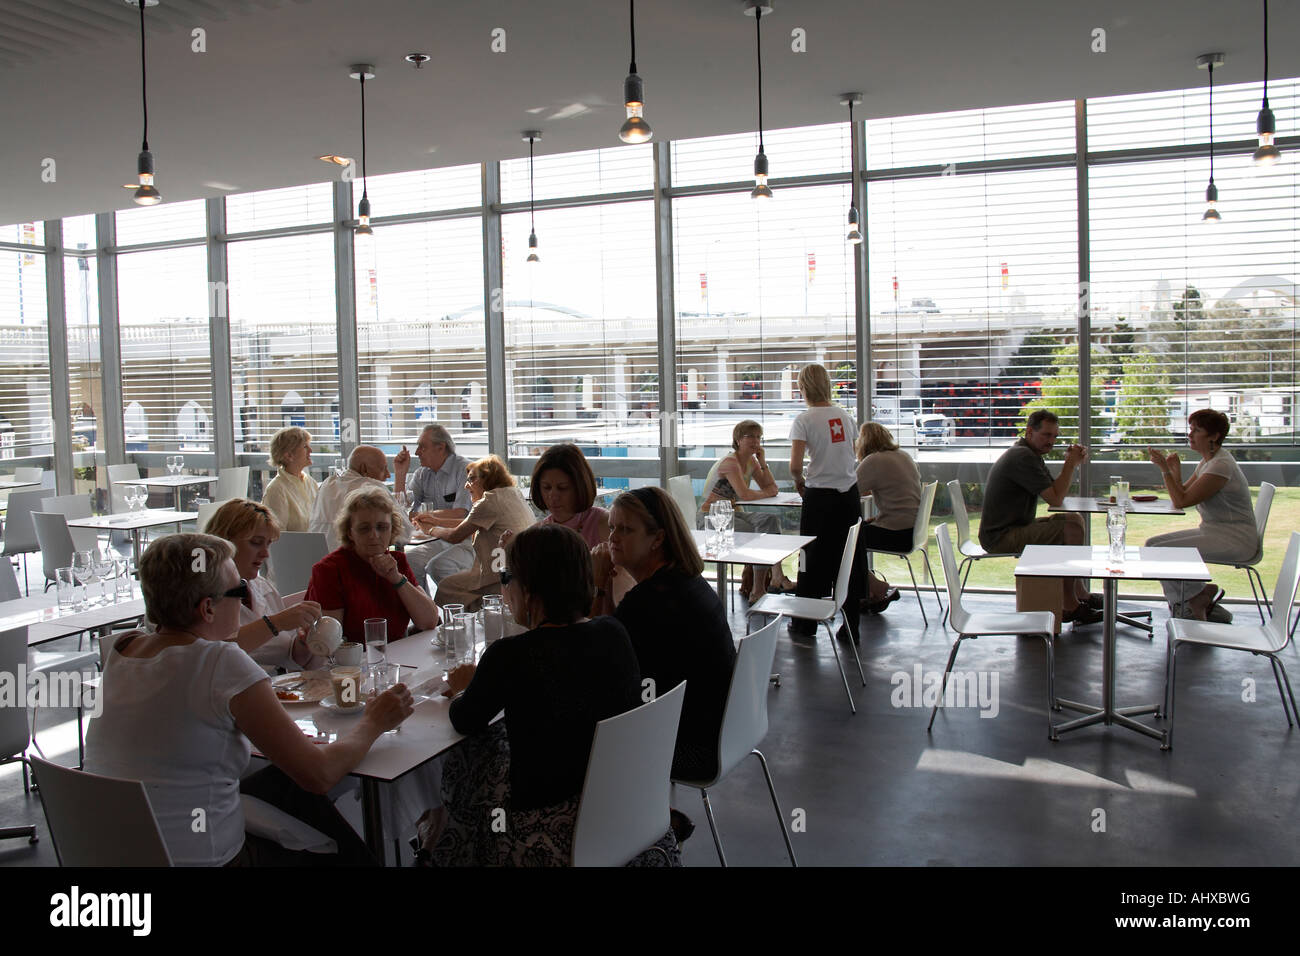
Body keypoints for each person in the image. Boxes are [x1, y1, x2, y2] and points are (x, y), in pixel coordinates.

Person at [84, 533, 413, 866]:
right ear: (208, 608)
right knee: (314, 804)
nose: (245, 599)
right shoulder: (219, 662)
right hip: (202, 858)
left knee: (284, 783)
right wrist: (374, 722)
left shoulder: (124, 649)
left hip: (112, 850)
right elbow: (320, 774)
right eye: (238, 591)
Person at [428, 524, 677, 866]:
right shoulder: (613, 632)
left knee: (465, 760)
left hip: (548, 825)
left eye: (506, 579)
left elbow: (465, 719)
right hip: (623, 805)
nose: (505, 590)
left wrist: (464, 687)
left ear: (528, 590)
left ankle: (450, 850)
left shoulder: (509, 654)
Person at [592, 487, 736, 781]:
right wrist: (605, 587)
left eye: (626, 530)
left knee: (579, 738)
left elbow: (594, 656)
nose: (613, 538)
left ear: (657, 538)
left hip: (690, 748)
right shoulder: (687, 582)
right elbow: (611, 636)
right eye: (612, 528)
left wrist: (596, 584)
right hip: (728, 731)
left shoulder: (650, 601)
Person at [979, 409, 1100, 625]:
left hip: (1014, 527)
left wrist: (1070, 465)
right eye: (1046, 435)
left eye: (1054, 436)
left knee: (1074, 520)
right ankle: (1069, 605)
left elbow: (1055, 493)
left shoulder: (1030, 454)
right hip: (1000, 536)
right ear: (1029, 432)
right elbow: (1055, 498)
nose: (1051, 441)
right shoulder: (1023, 457)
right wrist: (1070, 464)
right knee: (1072, 529)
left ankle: (1080, 594)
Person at [1146, 408, 1258, 622]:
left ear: (1214, 436)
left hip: (1235, 539)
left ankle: (1192, 602)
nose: (1190, 434)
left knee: (1159, 551)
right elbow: (1182, 495)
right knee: (1152, 545)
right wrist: (1174, 471)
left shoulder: (1221, 465)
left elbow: (1182, 501)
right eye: (1190, 429)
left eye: (1196, 430)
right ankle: (1198, 598)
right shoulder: (1208, 461)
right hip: (1215, 531)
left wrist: (1164, 470)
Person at [788, 363, 864, 640]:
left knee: (812, 558)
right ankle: (851, 625)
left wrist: (800, 481)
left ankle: (805, 623)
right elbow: (851, 453)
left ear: (803, 386)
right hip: (849, 496)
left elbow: (795, 465)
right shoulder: (844, 415)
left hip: (820, 497)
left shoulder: (804, 419)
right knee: (849, 559)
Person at [205, 498, 325, 672]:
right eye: (255, 543)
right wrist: (276, 623)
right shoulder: (201, 594)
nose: (265, 554)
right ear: (224, 541)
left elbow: (287, 654)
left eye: (268, 544)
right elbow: (213, 653)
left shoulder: (262, 588)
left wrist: (303, 644)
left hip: (282, 689)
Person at [306, 486, 440, 641]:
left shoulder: (397, 561)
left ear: (392, 529)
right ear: (350, 532)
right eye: (364, 529)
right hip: (353, 661)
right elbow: (330, 640)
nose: (374, 535)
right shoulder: (329, 570)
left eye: (382, 527)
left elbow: (429, 621)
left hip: (398, 657)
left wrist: (397, 579)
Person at [699, 420, 794, 601]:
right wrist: (764, 492)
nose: (755, 441)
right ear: (738, 439)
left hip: (733, 513)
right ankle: (770, 581)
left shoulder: (751, 461)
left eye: (758, 437)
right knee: (758, 533)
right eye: (749, 436)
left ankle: (763, 585)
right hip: (709, 517)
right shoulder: (730, 462)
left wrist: (763, 462)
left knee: (769, 521)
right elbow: (745, 494)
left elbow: (771, 487)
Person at [428, 455, 535, 612]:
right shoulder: (513, 493)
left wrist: (430, 529)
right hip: (524, 574)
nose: (466, 486)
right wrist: (435, 521)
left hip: (501, 576)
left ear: (488, 479)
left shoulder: (489, 501)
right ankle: (479, 614)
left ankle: (470, 621)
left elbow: (455, 536)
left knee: (446, 587)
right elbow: (469, 524)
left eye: (472, 479)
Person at [854, 422, 921, 613]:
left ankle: (873, 588)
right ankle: (868, 589)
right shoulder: (904, 456)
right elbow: (901, 498)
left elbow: (850, 491)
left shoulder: (875, 460)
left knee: (842, 540)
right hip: (912, 531)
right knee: (853, 536)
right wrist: (877, 519)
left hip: (896, 533)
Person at [398, 424, 476, 586]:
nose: (417, 452)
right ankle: (424, 609)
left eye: (422, 447)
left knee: (438, 566)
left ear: (441, 447)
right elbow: (403, 506)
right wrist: (400, 473)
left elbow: (462, 513)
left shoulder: (465, 469)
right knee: (409, 562)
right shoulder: (422, 473)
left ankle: (456, 606)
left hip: (465, 539)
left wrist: (429, 516)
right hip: (435, 538)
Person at [308, 444, 414, 551]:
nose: (387, 475)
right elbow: (405, 534)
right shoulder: (371, 487)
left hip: (317, 560)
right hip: (352, 563)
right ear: (364, 469)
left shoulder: (327, 484)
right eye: (383, 469)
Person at [530, 443, 609, 548]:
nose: (552, 496)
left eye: (562, 488)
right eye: (546, 487)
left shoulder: (606, 525)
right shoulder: (536, 534)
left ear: (580, 487)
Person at [260, 426, 319, 533]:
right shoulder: (276, 490)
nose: (310, 450)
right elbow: (277, 537)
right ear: (289, 455)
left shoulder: (310, 482)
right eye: (305, 446)